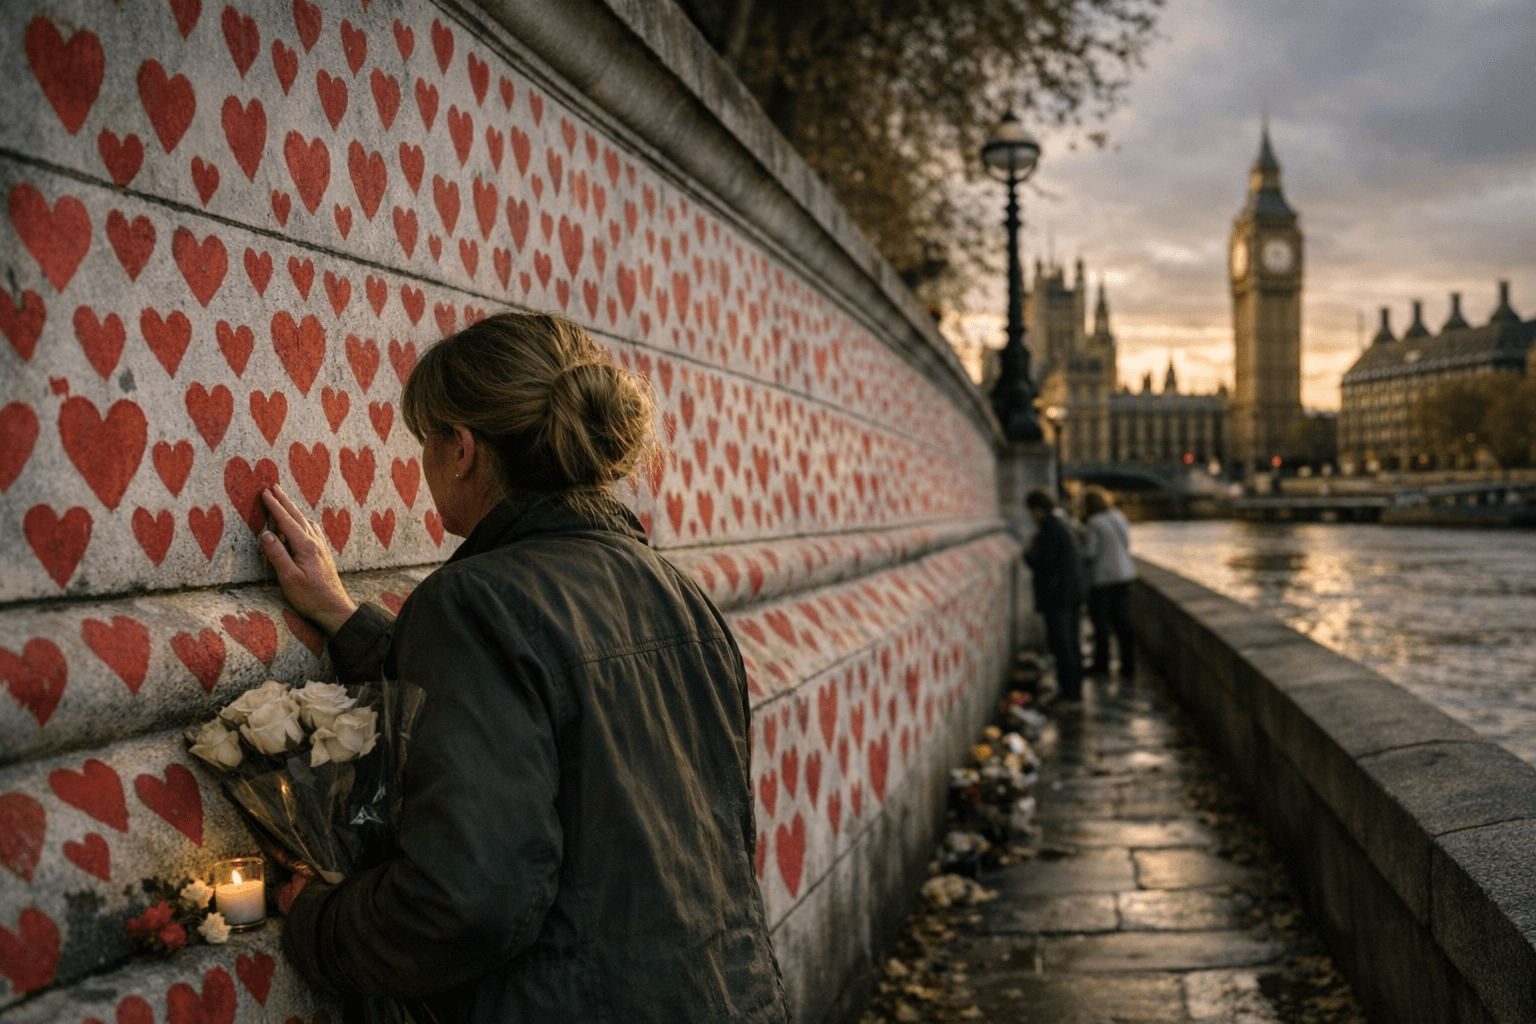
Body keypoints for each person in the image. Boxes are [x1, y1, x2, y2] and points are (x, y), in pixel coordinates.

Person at [256, 311, 788, 1023]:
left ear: (462, 449)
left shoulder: (471, 603)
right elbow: (558, 707)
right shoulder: (676, 591)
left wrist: (318, 920)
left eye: (425, 440)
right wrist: (346, 619)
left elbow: (466, 903)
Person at [1023, 488, 1086, 703]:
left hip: (1058, 596)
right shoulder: (1061, 524)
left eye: (1031, 511)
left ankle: (1070, 692)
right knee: (1072, 643)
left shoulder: (1050, 529)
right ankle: (1074, 690)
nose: (1031, 517)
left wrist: (1028, 552)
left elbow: (1042, 560)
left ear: (1038, 509)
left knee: (1062, 645)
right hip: (1070, 593)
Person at [1080, 486, 1137, 679]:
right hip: (1124, 574)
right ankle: (1128, 665)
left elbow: (1091, 552)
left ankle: (1101, 665)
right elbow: (1127, 544)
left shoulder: (1094, 522)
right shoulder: (1119, 516)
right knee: (1122, 622)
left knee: (1101, 623)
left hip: (1103, 578)